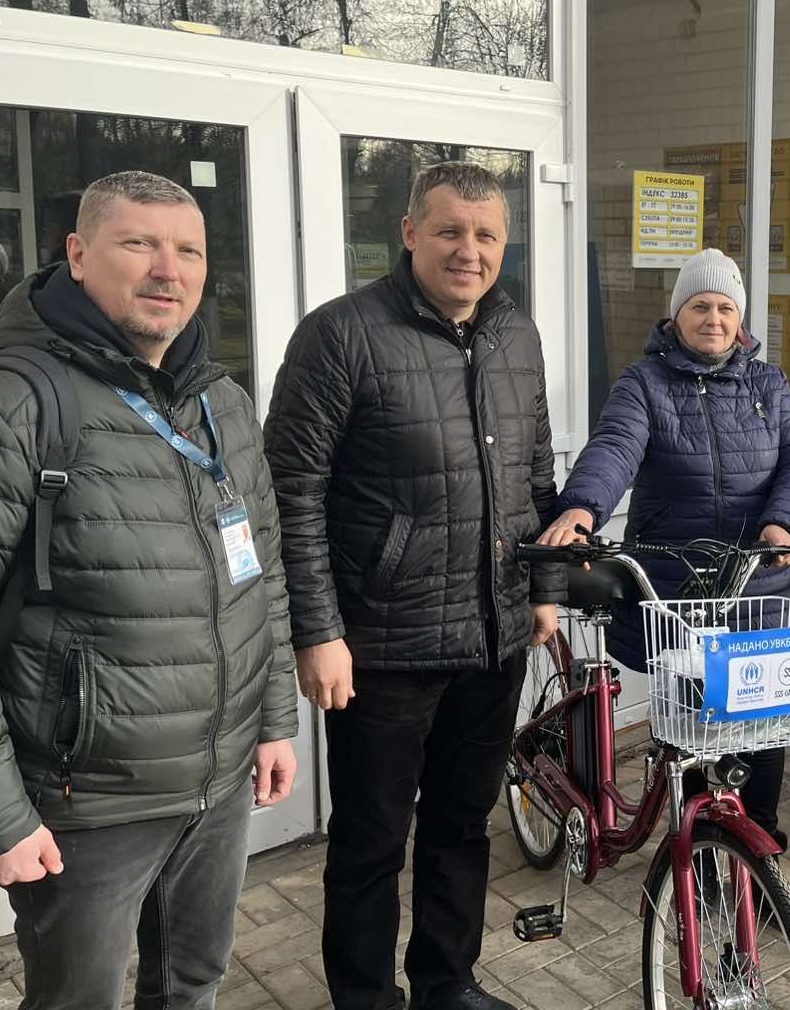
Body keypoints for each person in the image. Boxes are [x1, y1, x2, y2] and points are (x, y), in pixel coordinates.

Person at [0, 170, 298, 1008]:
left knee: (193, 984)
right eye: (139, 244)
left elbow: (262, 574)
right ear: (76, 254)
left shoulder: (222, 403)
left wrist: (274, 720)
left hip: (217, 781)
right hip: (86, 802)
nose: (168, 270)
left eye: (188, 251)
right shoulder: (2, 407)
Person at [263, 161, 563, 1010]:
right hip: (383, 643)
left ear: (504, 244)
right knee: (370, 840)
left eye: (486, 235)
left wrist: (543, 587)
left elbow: (536, 475)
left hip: (494, 634)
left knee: (463, 825)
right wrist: (317, 631)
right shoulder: (341, 335)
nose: (469, 251)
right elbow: (291, 493)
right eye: (449, 231)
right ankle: (364, 998)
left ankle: (446, 982)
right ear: (409, 233)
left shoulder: (517, 334)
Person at [538, 248, 790, 849]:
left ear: (739, 319)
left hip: (760, 581)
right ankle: (696, 850)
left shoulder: (768, 383)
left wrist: (784, 523)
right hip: (679, 585)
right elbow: (615, 446)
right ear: (677, 316)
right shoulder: (645, 382)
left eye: (725, 308)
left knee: (764, 724)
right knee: (692, 728)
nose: (713, 319)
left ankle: (756, 847)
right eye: (700, 306)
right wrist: (582, 508)